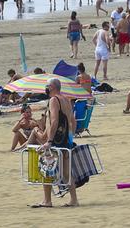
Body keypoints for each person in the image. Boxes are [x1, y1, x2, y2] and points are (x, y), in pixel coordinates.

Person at [33, 78, 78, 208]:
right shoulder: (66, 100)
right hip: (66, 140)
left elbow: (54, 121)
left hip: (56, 140)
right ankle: (74, 200)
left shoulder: (54, 100)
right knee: (66, 172)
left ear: (52, 87)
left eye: (47, 86)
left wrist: (49, 141)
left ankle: (47, 201)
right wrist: (70, 137)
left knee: (47, 168)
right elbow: (72, 121)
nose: (45, 88)